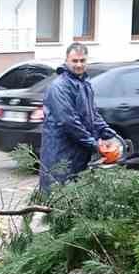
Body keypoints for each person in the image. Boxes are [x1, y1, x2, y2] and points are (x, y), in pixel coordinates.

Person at [38, 42, 120, 192]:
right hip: (60, 151)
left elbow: (92, 115)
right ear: (66, 60)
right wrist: (94, 144)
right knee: (57, 194)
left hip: (78, 151)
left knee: (76, 193)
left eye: (82, 61)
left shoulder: (84, 84)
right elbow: (68, 122)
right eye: (74, 61)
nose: (79, 64)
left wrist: (109, 133)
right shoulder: (60, 87)